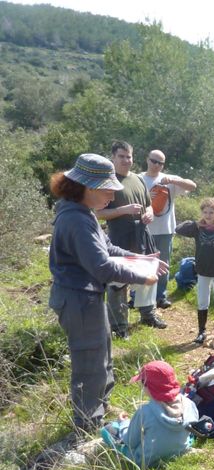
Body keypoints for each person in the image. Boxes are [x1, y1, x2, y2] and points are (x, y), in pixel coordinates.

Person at [48, 153, 166, 432]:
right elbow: (102, 266)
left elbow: (108, 249)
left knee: (102, 354)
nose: (112, 197)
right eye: (108, 190)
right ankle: (87, 423)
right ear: (88, 188)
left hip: (85, 296)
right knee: (90, 361)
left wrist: (141, 259)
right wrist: (143, 277)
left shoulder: (82, 213)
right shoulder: (76, 219)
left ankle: (100, 408)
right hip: (78, 299)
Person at [96, 141, 166, 336]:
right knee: (118, 282)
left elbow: (149, 205)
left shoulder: (138, 179)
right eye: (121, 156)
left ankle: (147, 314)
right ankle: (119, 327)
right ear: (113, 157)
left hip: (142, 235)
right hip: (119, 237)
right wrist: (123, 210)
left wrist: (150, 213)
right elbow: (99, 213)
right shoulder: (107, 182)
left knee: (148, 272)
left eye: (129, 156)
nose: (126, 160)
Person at [101, 360, 200, 468]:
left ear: (148, 386)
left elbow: (130, 442)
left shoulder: (144, 411)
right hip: (179, 451)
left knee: (107, 430)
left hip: (144, 461)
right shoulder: (189, 403)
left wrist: (124, 423)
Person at [140, 149, 197, 309]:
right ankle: (138, 296)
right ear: (147, 159)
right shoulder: (138, 179)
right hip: (143, 229)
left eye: (160, 163)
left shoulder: (169, 179)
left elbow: (192, 186)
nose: (157, 165)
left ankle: (160, 296)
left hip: (165, 230)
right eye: (154, 161)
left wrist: (173, 180)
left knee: (163, 264)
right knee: (142, 263)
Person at [176, 198, 214, 343]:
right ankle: (201, 331)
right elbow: (178, 229)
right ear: (201, 213)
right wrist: (196, 224)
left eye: (211, 212)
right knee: (202, 301)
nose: (208, 215)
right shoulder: (197, 229)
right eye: (205, 212)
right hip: (203, 270)